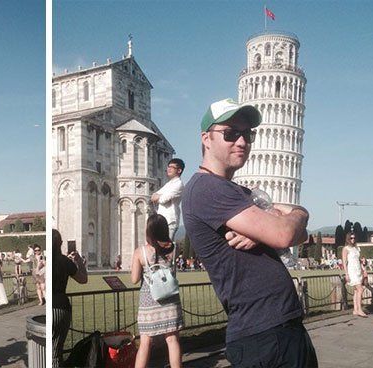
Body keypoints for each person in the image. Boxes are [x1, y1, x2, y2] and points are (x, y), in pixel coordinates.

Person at [181, 98, 317, 367]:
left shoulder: (239, 192)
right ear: (206, 139)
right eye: (230, 134)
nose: (242, 142)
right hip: (264, 335)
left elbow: (302, 234)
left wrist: (277, 221)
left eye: (247, 134)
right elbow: (286, 235)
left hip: (277, 329)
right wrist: (286, 219)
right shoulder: (208, 189)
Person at [131, 214, 184, 368]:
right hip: (170, 300)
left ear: (149, 230)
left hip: (149, 302)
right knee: (172, 340)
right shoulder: (174, 248)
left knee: (145, 342)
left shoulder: (140, 252)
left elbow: (134, 279)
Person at [51, 229, 87, 367]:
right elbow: (83, 279)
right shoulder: (64, 261)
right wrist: (79, 261)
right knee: (55, 352)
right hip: (61, 307)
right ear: (60, 243)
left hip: (52, 305)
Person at [151, 158, 185, 238]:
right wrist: (159, 196)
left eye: (172, 167)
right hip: (161, 220)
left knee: (166, 247)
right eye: (168, 166)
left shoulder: (179, 184)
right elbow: (153, 196)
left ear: (179, 170)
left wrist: (159, 196)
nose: (168, 169)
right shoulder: (169, 184)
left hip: (170, 221)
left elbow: (163, 200)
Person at [342, 232, 368, 317]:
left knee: (357, 290)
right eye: (351, 238)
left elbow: (358, 260)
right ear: (348, 239)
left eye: (354, 238)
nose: (353, 240)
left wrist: (363, 265)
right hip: (351, 271)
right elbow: (344, 262)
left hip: (358, 270)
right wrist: (346, 274)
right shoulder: (346, 249)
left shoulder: (357, 248)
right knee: (360, 289)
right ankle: (360, 309)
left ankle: (356, 309)